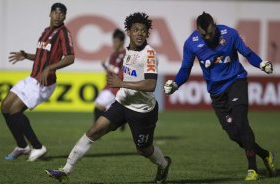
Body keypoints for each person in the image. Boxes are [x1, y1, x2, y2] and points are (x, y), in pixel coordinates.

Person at [45, 12, 171, 183]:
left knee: (143, 149)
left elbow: (150, 85)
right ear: (128, 32)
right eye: (136, 30)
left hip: (142, 111)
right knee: (93, 131)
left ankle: (163, 164)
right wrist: (119, 83)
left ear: (147, 34)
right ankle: (66, 170)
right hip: (122, 103)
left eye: (143, 30)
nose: (140, 33)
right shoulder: (126, 52)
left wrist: (121, 83)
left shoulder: (149, 54)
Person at [164, 12, 276, 181]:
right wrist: (175, 84)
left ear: (215, 25)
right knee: (234, 134)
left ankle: (252, 169)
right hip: (216, 93)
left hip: (236, 82)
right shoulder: (191, 43)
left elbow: (247, 53)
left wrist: (261, 64)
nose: (208, 37)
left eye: (210, 32)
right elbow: (185, 69)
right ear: (198, 31)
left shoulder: (230, 34)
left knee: (241, 122)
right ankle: (266, 155)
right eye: (204, 35)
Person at [0, 3, 74, 161]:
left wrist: (50, 68)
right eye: (55, 12)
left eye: (61, 13)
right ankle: (22, 146)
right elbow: (42, 56)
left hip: (44, 83)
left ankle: (38, 147)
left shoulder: (63, 33)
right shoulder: (46, 32)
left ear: (65, 16)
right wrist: (26, 55)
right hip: (32, 78)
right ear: (50, 14)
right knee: (5, 107)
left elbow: (70, 58)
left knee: (15, 111)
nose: (58, 16)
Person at [94, 28, 126, 131]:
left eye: (116, 41)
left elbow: (121, 73)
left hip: (117, 87)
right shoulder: (113, 55)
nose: (114, 44)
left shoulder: (126, 55)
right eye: (113, 41)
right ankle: (123, 118)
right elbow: (111, 71)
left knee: (99, 105)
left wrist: (107, 66)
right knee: (109, 110)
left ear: (121, 42)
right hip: (109, 86)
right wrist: (105, 67)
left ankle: (96, 131)